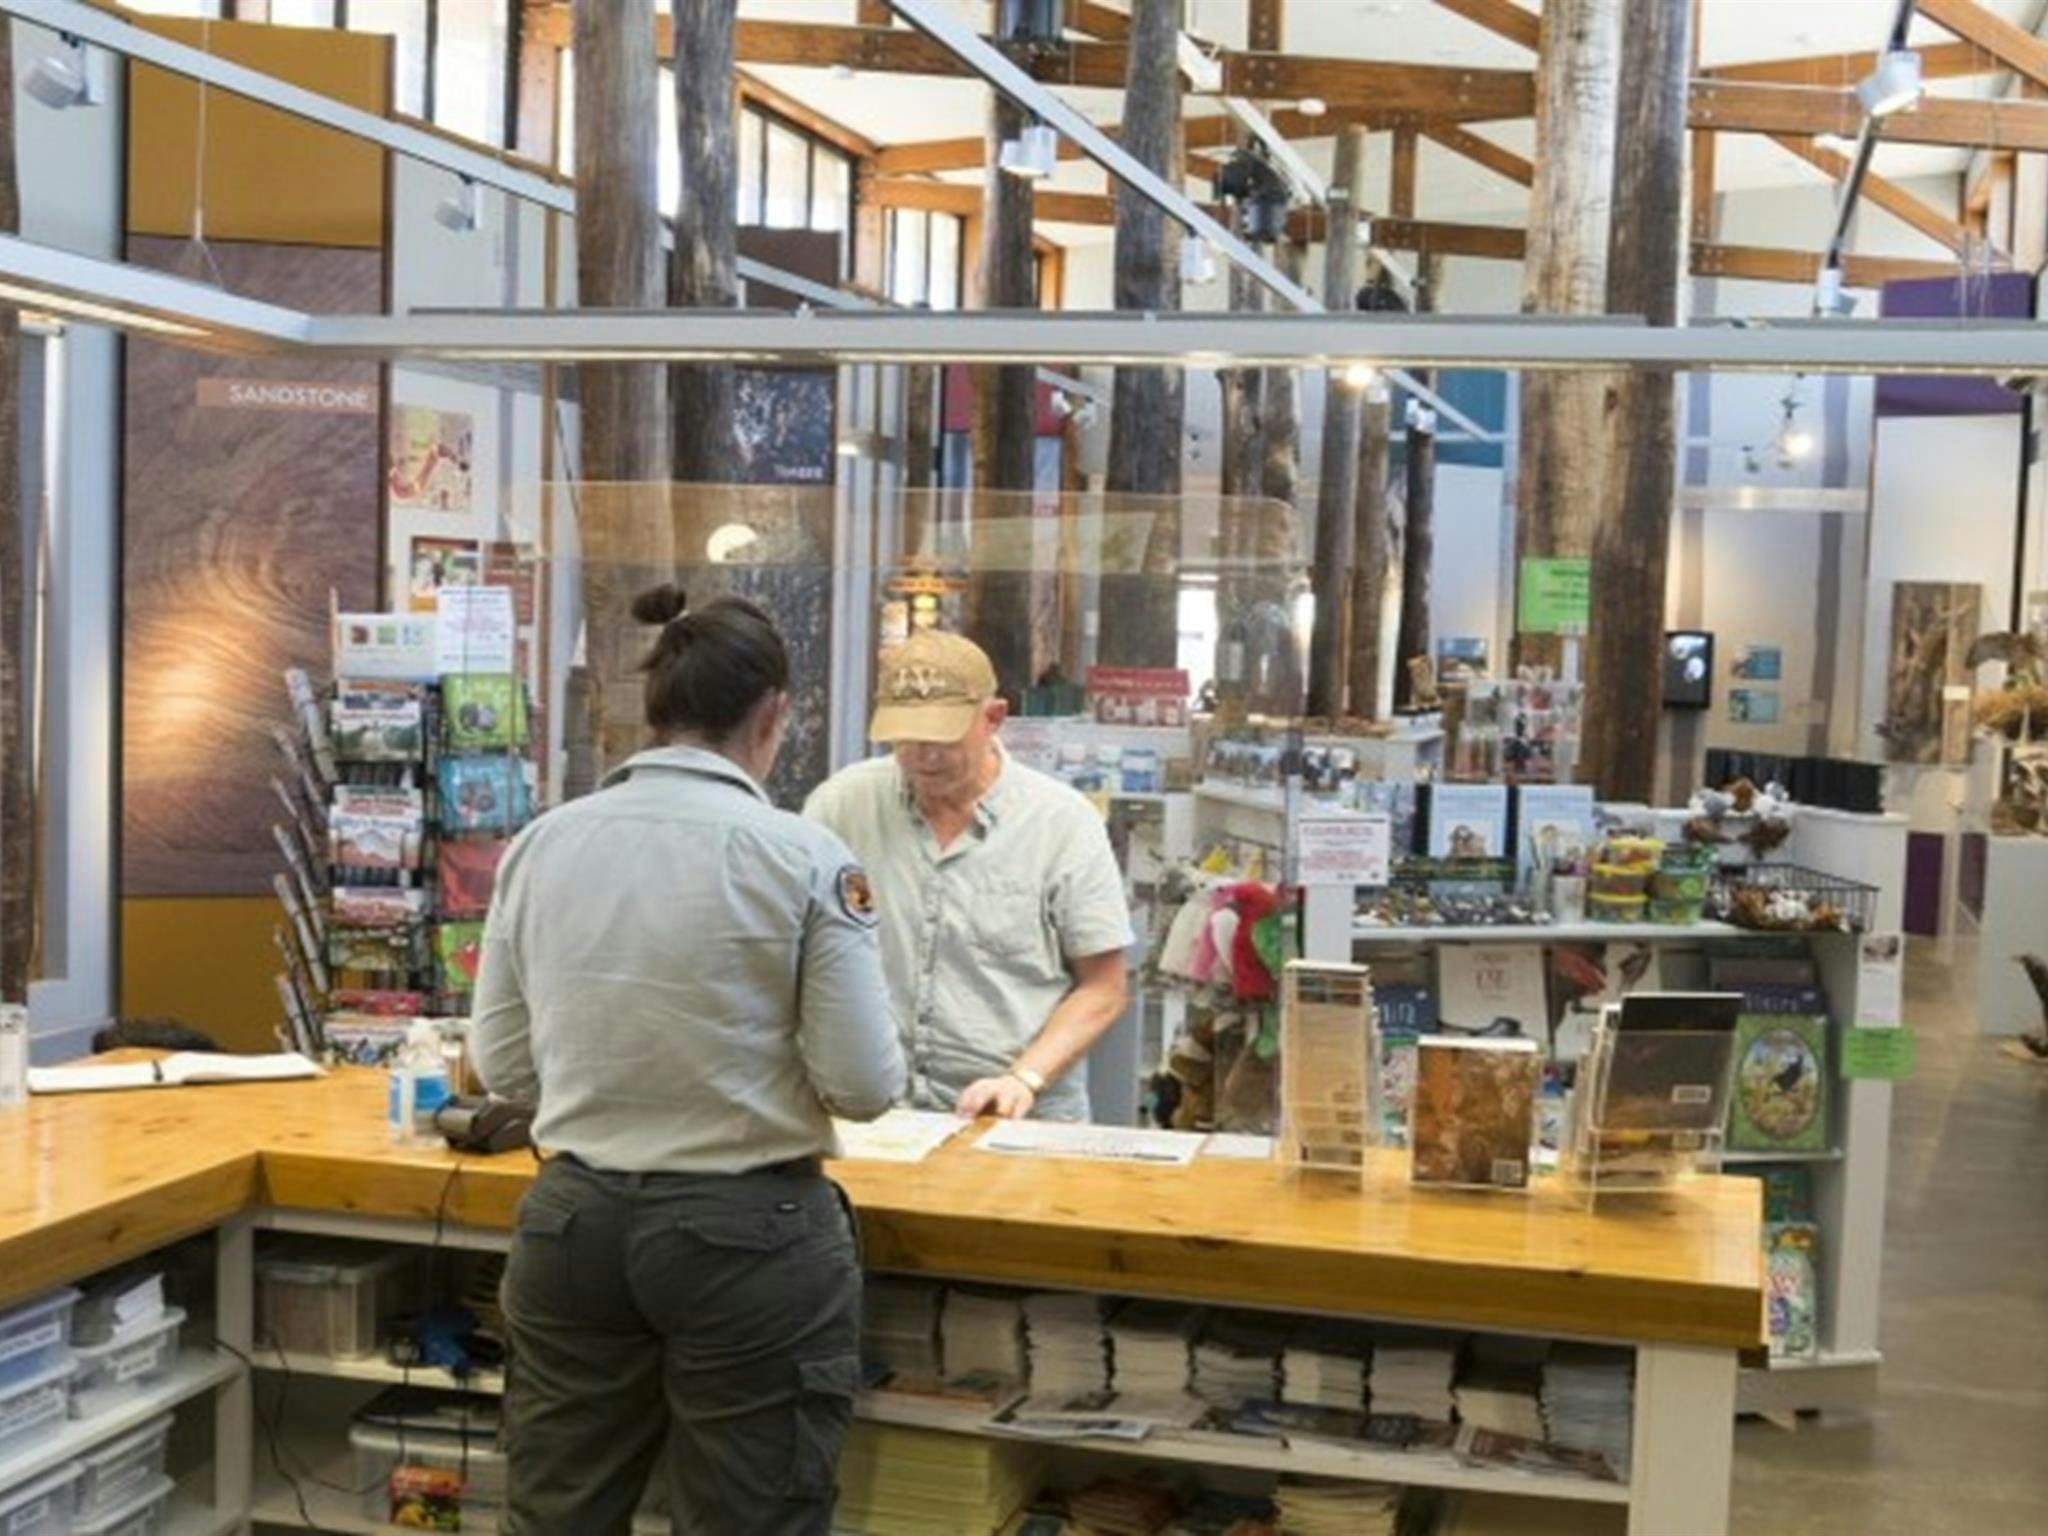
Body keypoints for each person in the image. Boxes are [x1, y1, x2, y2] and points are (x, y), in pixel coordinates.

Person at [473, 585, 904, 1536]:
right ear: (775, 715)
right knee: (750, 1517)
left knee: (555, 1514)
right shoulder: (805, 856)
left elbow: (501, 1063)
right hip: (750, 1233)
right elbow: (864, 1085)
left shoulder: (542, 844)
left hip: (574, 1222)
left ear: (655, 710)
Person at [804, 629, 1133, 1122]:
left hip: (1016, 1117)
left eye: (942, 737)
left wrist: (1024, 1078)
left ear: (993, 718)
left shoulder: (1061, 823)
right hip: (877, 1112)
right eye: (907, 737)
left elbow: (1104, 988)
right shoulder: (841, 805)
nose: (924, 755)